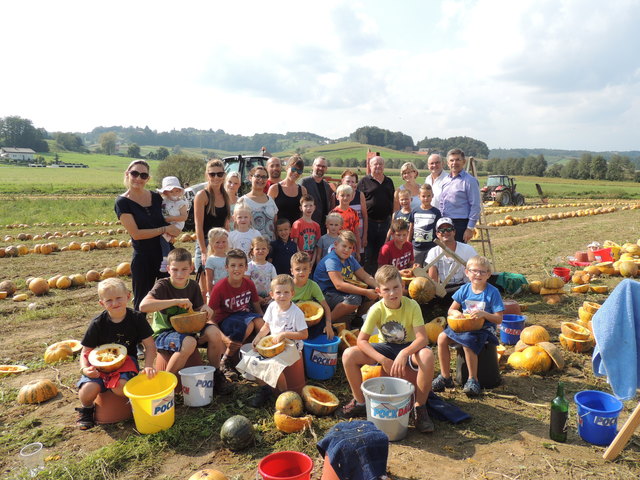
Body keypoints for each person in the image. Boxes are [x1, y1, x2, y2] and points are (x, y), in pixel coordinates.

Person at [340, 265, 435, 433]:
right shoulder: (375, 309)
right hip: (385, 347)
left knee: (427, 355)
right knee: (349, 355)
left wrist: (405, 353)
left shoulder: (412, 305)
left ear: (403, 287)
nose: (392, 293)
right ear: (379, 291)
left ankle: (419, 408)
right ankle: (360, 401)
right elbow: (361, 341)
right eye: (387, 289)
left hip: (408, 346)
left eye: (396, 287)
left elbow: (423, 338)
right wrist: (382, 359)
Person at [139, 248, 231, 392]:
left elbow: (199, 307)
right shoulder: (163, 285)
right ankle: (164, 384)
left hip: (189, 329)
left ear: (191, 269)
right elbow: (143, 306)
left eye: (184, 269)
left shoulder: (193, 285)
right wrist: (175, 301)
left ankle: (215, 374)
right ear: (168, 269)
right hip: (164, 333)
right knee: (189, 342)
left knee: (214, 332)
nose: (180, 274)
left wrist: (206, 308)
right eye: (175, 270)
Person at [76, 278, 157, 430]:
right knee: (87, 390)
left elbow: (150, 345)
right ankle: (87, 410)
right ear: (102, 303)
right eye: (109, 300)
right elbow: (86, 351)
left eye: (119, 298)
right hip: (99, 364)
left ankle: (134, 405)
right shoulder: (97, 323)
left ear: (128, 296)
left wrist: (148, 366)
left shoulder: (137, 318)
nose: (115, 303)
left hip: (126, 361)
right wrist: (85, 369)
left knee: (120, 387)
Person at [432, 256, 504, 397]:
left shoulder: (492, 292)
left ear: (488, 275)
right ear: (467, 272)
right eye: (474, 271)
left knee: (467, 342)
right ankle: (445, 377)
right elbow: (451, 310)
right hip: (464, 326)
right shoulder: (464, 289)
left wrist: (484, 314)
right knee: (441, 338)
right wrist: (457, 313)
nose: (478, 274)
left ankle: (473, 380)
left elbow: (499, 318)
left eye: (483, 272)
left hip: (484, 328)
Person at [115, 160, 179, 309]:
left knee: (170, 298)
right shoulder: (122, 202)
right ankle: (140, 332)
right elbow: (136, 234)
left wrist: (174, 229)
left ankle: (170, 331)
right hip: (143, 258)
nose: (138, 178)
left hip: (165, 255)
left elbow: (169, 216)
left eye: (143, 175)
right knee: (141, 303)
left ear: (148, 179)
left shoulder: (156, 197)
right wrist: (164, 229)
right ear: (127, 174)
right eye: (135, 173)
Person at [249, 274, 309, 407]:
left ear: (292, 293)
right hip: (275, 345)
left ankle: (283, 395)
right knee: (253, 360)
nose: (282, 296)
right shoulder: (271, 307)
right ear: (272, 294)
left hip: (292, 347)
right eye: (278, 292)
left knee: (275, 364)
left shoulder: (296, 312)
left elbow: (304, 334)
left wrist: (285, 334)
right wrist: (258, 338)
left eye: (286, 292)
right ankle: (265, 389)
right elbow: (266, 326)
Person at [208, 249, 264, 375]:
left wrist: (267, 323)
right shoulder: (220, 287)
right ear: (226, 267)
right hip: (225, 320)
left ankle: (259, 355)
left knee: (260, 322)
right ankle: (227, 358)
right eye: (233, 265)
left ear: (246, 268)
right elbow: (210, 317)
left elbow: (256, 306)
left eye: (240, 265)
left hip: (244, 315)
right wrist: (222, 338)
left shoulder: (248, 283)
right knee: (248, 324)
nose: (236, 269)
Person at [313, 230, 378, 326]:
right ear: (336, 244)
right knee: (355, 299)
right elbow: (339, 285)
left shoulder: (350, 259)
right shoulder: (332, 260)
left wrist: (380, 288)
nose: (346, 250)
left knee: (373, 290)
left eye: (350, 248)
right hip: (325, 294)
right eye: (344, 246)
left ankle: (357, 319)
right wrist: (365, 292)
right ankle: (325, 323)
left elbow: (365, 276)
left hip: (338, 292)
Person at [194, 159, 230, 297]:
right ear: (207, 175)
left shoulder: (225, 195)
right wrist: (203, 251)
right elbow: (198, 225)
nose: (216, 177)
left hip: (221, 244)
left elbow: (226, 225)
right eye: (212, 174)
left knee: (221, 282)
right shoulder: (202, 195)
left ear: (224, 175)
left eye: (219, 174)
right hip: (205, 243)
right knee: (204, 287)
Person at [358, 155, 395, 274]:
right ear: (370, 166)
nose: (378, 166)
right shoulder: (364, 181)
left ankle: (381, 280)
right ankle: (369, 283)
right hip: (370, 224)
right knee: (368, 255)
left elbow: (393, 202)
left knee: (383, 254)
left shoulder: (389, 181)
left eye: (380, 164)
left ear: (384, 166)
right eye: (375, 164)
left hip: (385, 223)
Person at [426, 218, 478, 295]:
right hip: (444, 289)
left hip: (465, 288)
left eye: (449, 229)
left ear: (454, 232)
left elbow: (477, 269)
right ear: (437, 234)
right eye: (442, 230)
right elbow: (433, 280)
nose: (446, 232)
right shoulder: (433, 252)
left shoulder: (467, 249)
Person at [439, 148, 481, 243]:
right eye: (452, 160)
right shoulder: (445, 180)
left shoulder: (470, 181)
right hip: (445, 222)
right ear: (447, 163)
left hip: (460, 224)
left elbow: (475, 206)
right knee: (446, 254)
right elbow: (442, 202)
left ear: (464, 162)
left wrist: (469, 228)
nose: (454, 163)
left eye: (458, 160)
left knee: (458, 254)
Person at [291, 252, 333, 339]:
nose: (301, 272)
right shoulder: (288, 285)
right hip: (290, 319)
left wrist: (328, 324)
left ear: (310, 270)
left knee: (321, 325)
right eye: (298, 269)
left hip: (308, 320)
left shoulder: (313, 285)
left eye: (305, 269)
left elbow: (326, 307)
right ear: (292, 271)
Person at [238, 166, 278, 242]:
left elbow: (275, 224)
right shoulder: (243, 201)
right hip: (250, 246)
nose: (261, 179)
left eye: (264, 177)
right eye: (257, 176)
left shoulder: (270, 201)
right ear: (250, 177)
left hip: (270, 246)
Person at [157, 176, 188, 273]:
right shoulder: (164, 201)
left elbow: (184, 217)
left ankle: (165, 259)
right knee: (164, 239)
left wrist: (171, 218)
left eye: (177, 191)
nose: (174, 194)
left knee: (163, 238)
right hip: (168, 223)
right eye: (171, 191)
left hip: (176, 224)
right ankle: (170, 258)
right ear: (165, 192)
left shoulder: (181, 203)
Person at [268, 154, 307, 224]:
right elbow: (269, 214)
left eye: (299, 171)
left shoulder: (303, 190)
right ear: (286, 168)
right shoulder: (274, 189)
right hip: (279, 232)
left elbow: (304, 214)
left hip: (297, 232)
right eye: (294, 169)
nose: (296, 173)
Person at [408, 184, 441, 267]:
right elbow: (411, 229)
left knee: (429, 270)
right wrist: (408, 244)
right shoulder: (415, 211)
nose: (426, 199)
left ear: (432, 196)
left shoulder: (436, 212)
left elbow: (438, 231)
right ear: (419, 196)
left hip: (431, 248)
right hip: (417, 248)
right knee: (416, 271)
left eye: (428, 196)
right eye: (423, 196)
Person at [301, 156, 335, 235]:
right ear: (313, 166)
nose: (320, 168)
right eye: (318, 165)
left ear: (326, 169)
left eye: (323, 166)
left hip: (323, 227)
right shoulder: (304, 182)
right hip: (308, 227)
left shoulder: (326, 185)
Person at [340, 170, 367, 258]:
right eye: (348, 181)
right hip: (342, 236)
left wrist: (364, 236)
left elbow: (365, 216)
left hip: (358, 233)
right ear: (342, 181)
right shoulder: (337, 195)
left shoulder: (360, 195)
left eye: (353, 182)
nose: (350, 184)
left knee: (357, 259)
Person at [331, 184, 361, 259]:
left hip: (351, 248)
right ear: (337, 196)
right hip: (337, 248)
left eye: (348, 195)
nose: (345, 198)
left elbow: (356, 232)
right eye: (342, 195)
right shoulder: (333, 213)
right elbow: (330, 234)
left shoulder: (354, 213)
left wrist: (358, 251)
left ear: (351, 197)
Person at [247, 236, 278, 308]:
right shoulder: (249, 266)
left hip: (268, 299)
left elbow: (276, 284)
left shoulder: (271, 267)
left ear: (267, 251)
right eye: (257, 249)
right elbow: (246, 285)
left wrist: (270, 297)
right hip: (253, 300)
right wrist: (256, 297)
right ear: (252, 251)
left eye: (263, 248)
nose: (260, 251)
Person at [291, 195, 321, 265]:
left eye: (311, 206)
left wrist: (313, 261)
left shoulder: (316, 226)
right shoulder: (297, 223)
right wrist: (301, 257)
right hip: (300, 260)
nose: (308, 208)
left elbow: (316, 245)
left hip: (311, 260)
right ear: (301, 208)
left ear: (314, 207)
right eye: (305, 206)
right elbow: (295, 243)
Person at [204, 227, 229, 295]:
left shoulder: (230, 257)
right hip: (217, 291)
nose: (221, 244)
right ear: (212, 244)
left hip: (229, 291)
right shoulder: (211, 260)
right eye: (217, 242)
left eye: (223, 242)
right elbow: (209, 280)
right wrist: (211, 294)